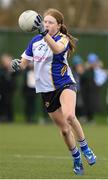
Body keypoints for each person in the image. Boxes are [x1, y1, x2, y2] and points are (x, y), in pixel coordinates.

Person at [10, 9, 96, 175]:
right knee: (64, 130)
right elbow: (24, 63)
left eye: (50, 22)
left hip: (65, 84)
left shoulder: (62, 39)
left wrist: (44, 33)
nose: (47, 24)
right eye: (46, 21)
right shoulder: (35, 41)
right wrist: (16, 64)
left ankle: (85, 148)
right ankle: (76, 157)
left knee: (70, 116)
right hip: (46, 91)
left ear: (59, 25)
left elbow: (57, 49)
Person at [0, 53, 17, 122]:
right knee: (3, 103)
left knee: (8, 102)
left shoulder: (13, 70)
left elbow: (16, 75)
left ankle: (9, 117)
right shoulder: (2, 70)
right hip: (2, 90)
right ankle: (3, 116)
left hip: (10, 90)